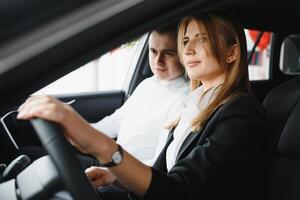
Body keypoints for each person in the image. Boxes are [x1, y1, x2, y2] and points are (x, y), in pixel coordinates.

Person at [17, 9, 266, 200]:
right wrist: (117, 176)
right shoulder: (194, 103)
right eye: (186, 40)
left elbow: (180, 191)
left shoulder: (242, 113)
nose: (188, 49)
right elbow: (167, 172)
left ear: (232, 53)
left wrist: (102, 147)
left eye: (201, 39)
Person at [16, 23, 190, 169]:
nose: (158, 60)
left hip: (130, 175)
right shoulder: (147, 85)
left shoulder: (184, 99)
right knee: (30, 154)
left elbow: (161, 162)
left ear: (183, 54)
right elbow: (114, 123)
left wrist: (116, 174)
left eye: (168, 53)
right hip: (111, 162)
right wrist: (71, 129)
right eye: (153, 51)